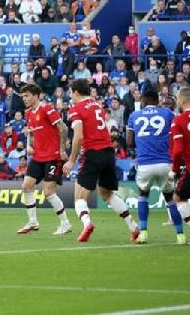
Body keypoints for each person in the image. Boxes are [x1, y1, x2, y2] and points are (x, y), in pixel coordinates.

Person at [63, 79, 139, 242]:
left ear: (76, 92)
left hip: (92, 153)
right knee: (107, 194)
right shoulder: (97, 105)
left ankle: (87, 224)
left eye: (70, 92)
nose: (71, 96)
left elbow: (78, 136)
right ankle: (133, 227)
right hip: (109, 153)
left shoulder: (76, 109)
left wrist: (71, 160)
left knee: (80, 198)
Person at [125, 90, 184, 244]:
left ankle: (143, 233)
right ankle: (180, 236)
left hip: (145, 163)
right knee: (170, 198)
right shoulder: (168, 114)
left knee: (143, 195)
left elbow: (129, 142)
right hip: (165, 162)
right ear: (157, 100)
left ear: (143, 101)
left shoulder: (134, 116)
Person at [18, 84, 72, 235]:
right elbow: (34, 133)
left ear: (36, 95)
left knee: (48, 192)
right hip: (38, 155)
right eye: (23, 96)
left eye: (27, 95)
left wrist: (61, 150)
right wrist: (31, 145)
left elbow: (63, 128)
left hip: (53, 156)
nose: (25, 99)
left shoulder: (47, 108)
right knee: (26, 186)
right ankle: (33, 222)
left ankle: (65, 224)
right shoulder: (28, 113)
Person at [170, 87, 190, 236]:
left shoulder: (179, 120)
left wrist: (174, 169)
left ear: (182, 101)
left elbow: (177, 151)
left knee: (178, 198)